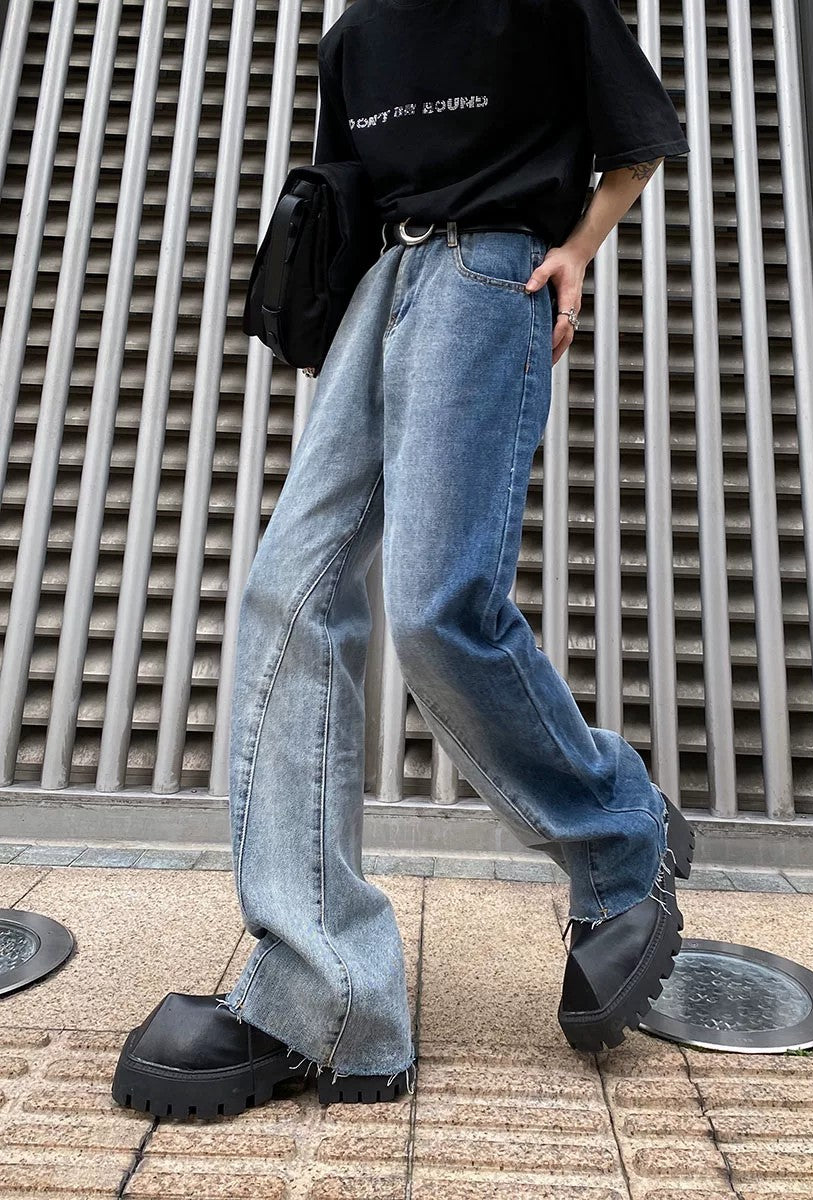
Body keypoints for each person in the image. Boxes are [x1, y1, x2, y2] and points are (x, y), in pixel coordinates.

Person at [111, 0, 694, 1118]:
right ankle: (322, 996)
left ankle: (622, 832)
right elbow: (345, 192)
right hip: (385, 288)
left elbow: (636, 142)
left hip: (495, 277)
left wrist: (579, 248)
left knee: (438, 606)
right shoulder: (357, 32)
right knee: (288, 592)